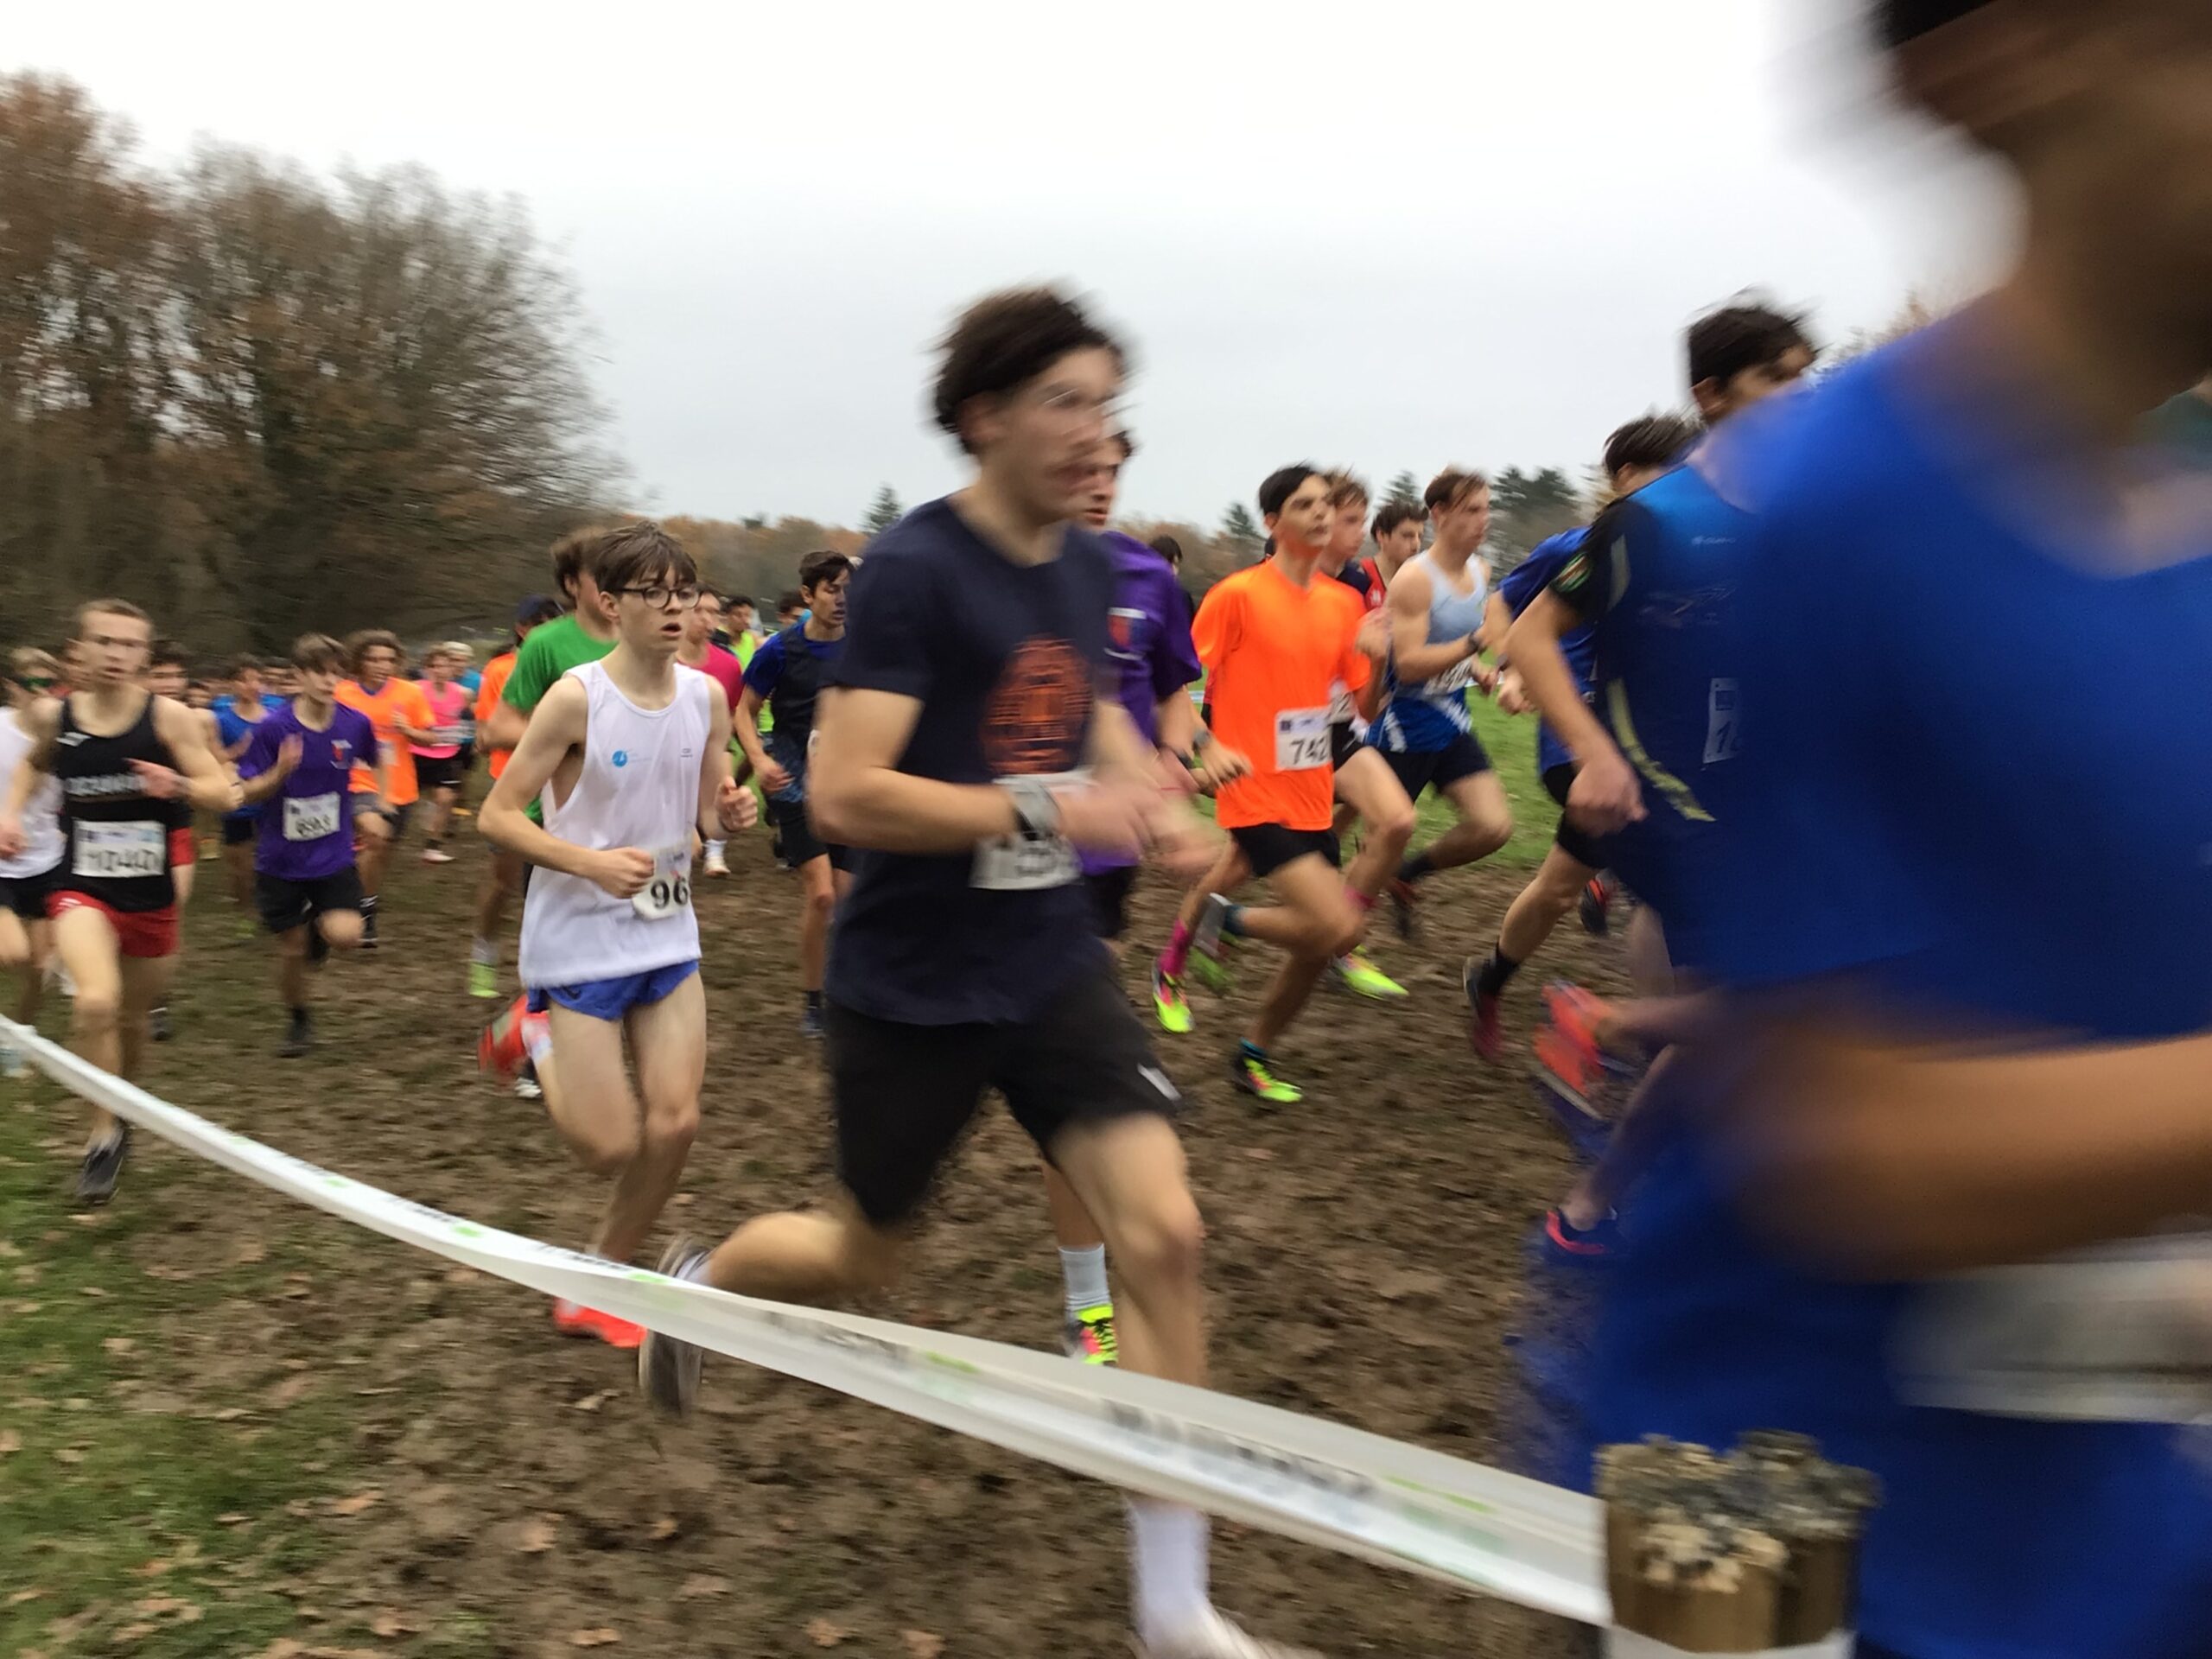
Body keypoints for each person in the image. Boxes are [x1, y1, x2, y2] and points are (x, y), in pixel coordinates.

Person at [1573, 6, 2212, 1655]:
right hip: (1808, 1537)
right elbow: (1863, 1146)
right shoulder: (1846, 512)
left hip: (2105, 1511)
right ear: (2012, 58)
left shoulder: (2182, 535)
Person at [635, 287, 1310, 1659]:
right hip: (915, 982)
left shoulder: (1084, 562)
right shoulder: (913, 572)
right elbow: (846, 793)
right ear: (986, 415)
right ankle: (702, 1283)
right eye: (1068, 402)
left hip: (1048, 960)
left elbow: (1092, 710)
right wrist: (1054, 808)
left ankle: (1174, 1605)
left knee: (1166, 1238)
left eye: (1110, 406)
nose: (1098, 434)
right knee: (862, 1253)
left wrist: (1152, 793)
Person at [1505, 302, 1815, 1263]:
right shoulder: (1652, 520)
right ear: (1712, 396)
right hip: (1655, 790)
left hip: (1747, 794)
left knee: (1734, 1013)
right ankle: (1606, 1072)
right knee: (1776, 997)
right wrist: (1592, 753)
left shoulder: (1797, 514)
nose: (1798, 396)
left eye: (1804, 374)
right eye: (1776, 378)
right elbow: (1531, 640)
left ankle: (1601, 1195)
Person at [478, 521, 754, 1348]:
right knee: (608, 1148)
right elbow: (497, 815)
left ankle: (600, 1280)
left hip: (666, 929)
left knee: (676, 1125)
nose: (676, 609)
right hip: (580, 936)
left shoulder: (707, 696)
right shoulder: (576, 698)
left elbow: (707, 812)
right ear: (610, 602)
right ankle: (534, 1033)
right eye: (653, 594)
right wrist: (587, 863)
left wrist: (730, 812)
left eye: (684, 593)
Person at [1464, 414, 1700, 1063]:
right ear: (1626, 476)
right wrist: (1510, 670)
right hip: (1575, 747)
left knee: (1558, 888)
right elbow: (1502, 604)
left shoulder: (1688, 554)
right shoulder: (1576, 547)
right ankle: (1653, 1042)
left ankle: (1491, 978)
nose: (1684, 489)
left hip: (1647, 749)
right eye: (1670, 474)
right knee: (1670, 884)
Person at [1151, 466, 1386, 1104]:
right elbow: (1172, 681)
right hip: (1252, 787)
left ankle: (1252, 1051)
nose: (1321, 513)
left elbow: (1361, 710)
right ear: (1273, 522)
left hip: (1312, 790)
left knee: (1328, 941)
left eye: (1326, 503)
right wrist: (1204, 746)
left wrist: (1377, 655)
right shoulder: (1237, 596)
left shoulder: (1343, 604)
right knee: (1337, 925)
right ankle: (1224, 925)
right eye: (1305, 505)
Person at [0, 599, 236, 1203]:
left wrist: (177, 784)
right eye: (104, 641)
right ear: (79, 649)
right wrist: (10, 814)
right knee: (95, 1002)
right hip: (82, 887)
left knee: (131, 1020)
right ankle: (101, 1135)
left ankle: (122, 1105)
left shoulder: (169, 718)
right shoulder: (58, 715)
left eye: (130, 644)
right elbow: (32, 767)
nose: (116, 654)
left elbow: (224, 793)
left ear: (144, 655)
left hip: (150, 893)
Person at [1369, 469, 1514, 941]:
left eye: (1486, 509)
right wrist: (1476, 643)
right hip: (1403, 731)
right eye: (1472, 510)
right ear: (1440, 514)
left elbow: (1451, 642)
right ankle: (1331, 935)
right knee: (1376, 846)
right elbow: (1409, 664)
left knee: (1493, 827)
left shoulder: (1480, 572)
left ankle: (1407, 874)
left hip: (1451, 723)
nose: (1483, 519)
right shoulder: (1415, 579)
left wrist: (1477, 669)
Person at [237, 635, 379, 1057]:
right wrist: (280, 772)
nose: (329, 680)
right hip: (280, 860)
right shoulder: (273, 730)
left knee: (348, 936)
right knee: (292, 950)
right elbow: (247, 792)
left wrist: (373, 806)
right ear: (299, 676)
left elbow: (373, 763)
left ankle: (319, 924)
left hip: (333, 854)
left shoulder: (355, 723)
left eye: (336, 672)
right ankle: (299, 1020)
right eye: (319, 671)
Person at [734, 548, 853, 1038]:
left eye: (848, 590)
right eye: (832, 590)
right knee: (822, 894)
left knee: (848, 897)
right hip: (794, 783)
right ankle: (813, 1002)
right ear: (808, 594)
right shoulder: (779, 650)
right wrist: (759, 761)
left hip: (847, 784)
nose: (842, 599)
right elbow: (743, 712)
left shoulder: (864, 644)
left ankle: (847, 992)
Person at [468, 595, 563, 1001]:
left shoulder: (569, 665)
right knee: (505, 881)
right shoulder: (500, 669)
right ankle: (484, 948)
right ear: (522, 629)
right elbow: (490, 734)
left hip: (561, 786)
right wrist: (563, 733)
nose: (550, 631)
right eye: (542, 623)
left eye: (556, 623)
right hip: (514, 788)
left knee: (552, 887)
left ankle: (546, 980)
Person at [335, 631, 435, 947]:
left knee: (380, 853)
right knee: (375, 839)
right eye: (374, 659)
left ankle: (365, 901)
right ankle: (356, 908)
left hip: (399, 787)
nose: (382, 665)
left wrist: (409, 731)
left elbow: (431, 738)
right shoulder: (342, 693)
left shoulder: (410, 692)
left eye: (389, 660)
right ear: (359, 661)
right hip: (353, 782)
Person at [0, 649, 66, 1080]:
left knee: (42, 969)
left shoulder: (66, 738)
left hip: (46, 860)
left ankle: (16, 1039)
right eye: (33, 685)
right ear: (12, 688)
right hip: (1, 865)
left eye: (51, 685)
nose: (43, 694)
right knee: (13, 953)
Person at [141, 639, 206, 1042]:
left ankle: (157, 1001)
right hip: (122, 834)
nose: (170, 683)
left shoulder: (190, 721)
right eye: (160, 675)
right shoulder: (124, 720)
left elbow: (213, 770)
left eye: (177, 675)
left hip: (175, 829)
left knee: (168, 913)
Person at [677, 588, 747, 880]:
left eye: (713, 612)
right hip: (670, 749)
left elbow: (732, 711)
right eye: (698, 610)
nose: (706, 619)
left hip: (713, 745)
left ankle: (715, 852)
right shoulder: (662, 660)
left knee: (725, 787)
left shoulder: (729, 665)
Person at [213, 656, 273, 915]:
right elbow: (213, 759)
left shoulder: (275, 717)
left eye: (258, 679)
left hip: (271, 795)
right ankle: (244, 907)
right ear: (231, 685)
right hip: (238, 797)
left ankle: (272, 902)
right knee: (240, 860)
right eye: (244, 680)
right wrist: (239, 749)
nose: (253, 685)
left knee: (271, 853)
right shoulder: (221, 720)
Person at [411, 645, 472, 865]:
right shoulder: (415, 690)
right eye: (434, 666)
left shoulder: (463, 693)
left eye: (444, 666)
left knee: (446, 799)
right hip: (415, 753)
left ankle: (432, 847)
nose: (439, 670)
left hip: (446, 754)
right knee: (402, 802)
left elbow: (464, 720)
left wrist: (465, 741)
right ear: (426, 669)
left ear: (452, 669)